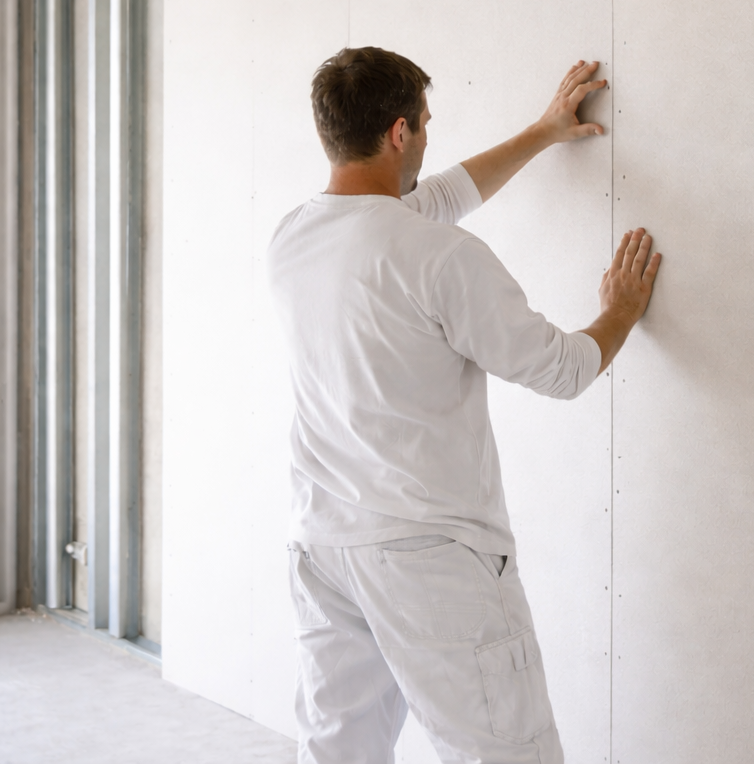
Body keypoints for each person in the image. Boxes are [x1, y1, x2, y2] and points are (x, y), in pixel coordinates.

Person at [267, 46, 660, 764]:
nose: (426, 136)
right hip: (430, 560)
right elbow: (565, 370)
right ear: (398, 133)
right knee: (505, 752)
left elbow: (435, 196)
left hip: (323, 546)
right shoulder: (440, 258)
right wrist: (620, 313)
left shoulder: (293, 237)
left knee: (338, 752)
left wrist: (544, 131)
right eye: (423, 123)